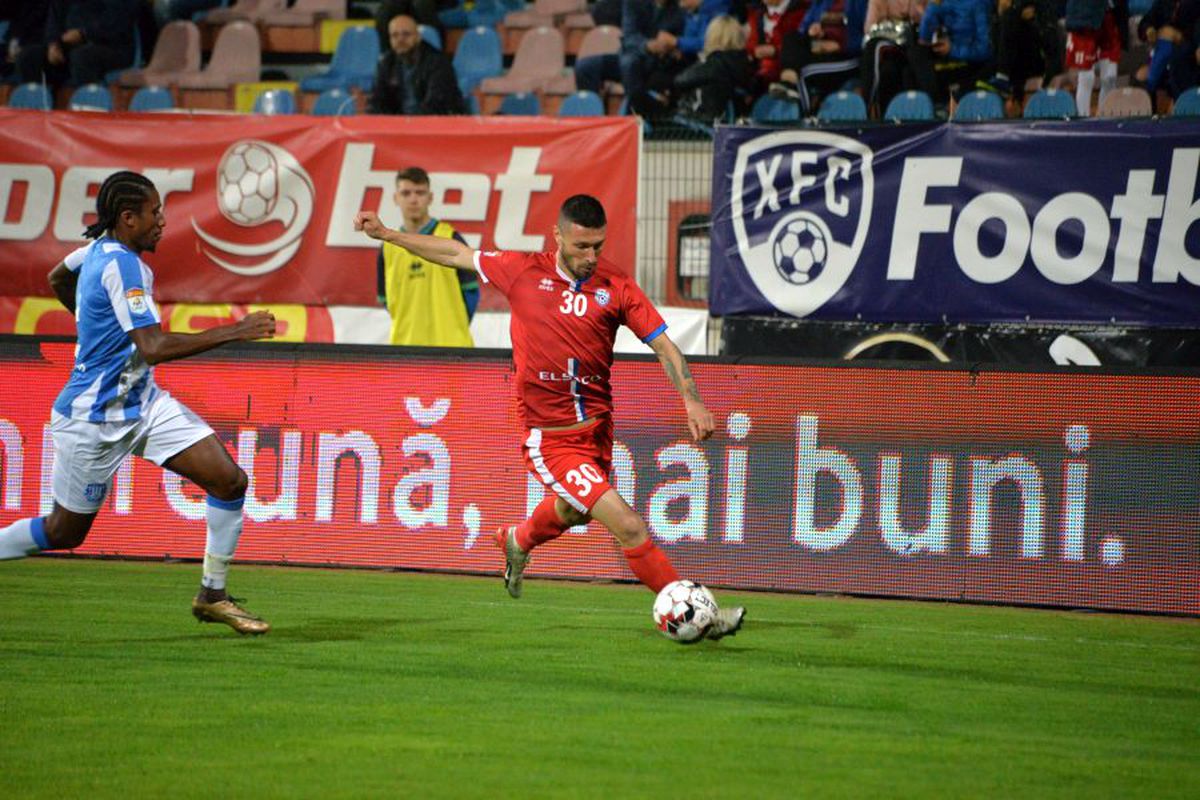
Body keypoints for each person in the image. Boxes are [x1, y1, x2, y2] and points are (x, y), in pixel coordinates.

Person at [354, 195, 746, 640]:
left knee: (574, 512)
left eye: (597, 246)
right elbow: (454, 253)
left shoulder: (615, 286)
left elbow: (663, 345)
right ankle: (702, 616)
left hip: (597, 431)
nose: (591, 257)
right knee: (629, 525)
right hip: (551, 438)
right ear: (557, 236)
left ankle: (517, 539)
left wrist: (691, 399)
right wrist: (387, 234)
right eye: (582, 247)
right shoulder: (522, 270)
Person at [0, 171, 276, 636]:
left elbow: (57, 276)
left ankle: (213, 594)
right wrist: (236, 330)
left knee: (229, 480)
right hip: (92, 419)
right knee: (65, 532)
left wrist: (94, 324)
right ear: (128, 218)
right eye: (155, 213)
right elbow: (152, 346)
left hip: (144, 404)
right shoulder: (122, 265)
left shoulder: (96, 251)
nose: (163, 221)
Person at [376, 166, 477, 347]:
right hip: (405, 352)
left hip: (453, 351)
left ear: (430, 198)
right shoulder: (388, 248)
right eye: (406, 193)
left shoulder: (451, 238)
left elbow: (471, 292)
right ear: (396, 198)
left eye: (420, 193)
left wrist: (453, 328)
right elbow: (386, 300)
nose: (413, 199)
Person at [16, 0, 140, 93]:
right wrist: (53, 44)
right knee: (29, 56)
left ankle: (90, 109)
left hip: (112, 47)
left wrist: (84, 33)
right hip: (69, 47)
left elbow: (119, 21)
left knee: (82, 57)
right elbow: (54, 18)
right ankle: (37, 111)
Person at [368, 13, 465, 116]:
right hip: (400, 125)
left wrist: (406, 124)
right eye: (394, 35)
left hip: (434, 125)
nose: (400, 39)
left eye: (406, 34)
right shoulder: (386, 63)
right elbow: (376, 101)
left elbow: (436, 105)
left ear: (418, 37)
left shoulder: (438, 62)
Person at [673, 14, 758, 121]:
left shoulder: (716, 63)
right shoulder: (743, 61)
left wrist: (702, 60)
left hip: (701, 122)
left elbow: (680, 81)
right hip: (726, 120)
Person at [907, 0, 993, 107]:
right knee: (914, 55)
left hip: (968, 61)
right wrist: (933, 6)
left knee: (917, 73)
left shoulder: (979, 4)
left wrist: (952, 49)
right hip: (945, 57)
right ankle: (920, 109)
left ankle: (934, 105)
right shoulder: (944, 3)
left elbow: (984, 51)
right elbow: (924, 38)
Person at [1064, 0, 1129, 116]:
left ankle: (1105, 118)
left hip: (1110, 18)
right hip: (1084, 18)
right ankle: (1083, 119)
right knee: (1087, 77)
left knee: (1110, 77)